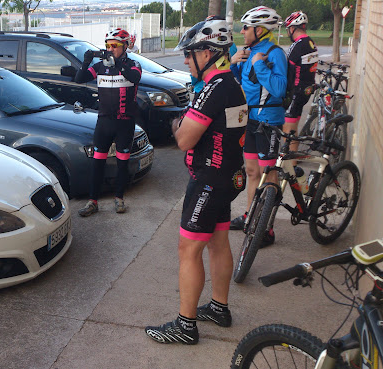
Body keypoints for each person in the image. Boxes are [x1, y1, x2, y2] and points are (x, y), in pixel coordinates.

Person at [144, 19, 247, 345]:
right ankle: (219, 307)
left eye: (189, 54)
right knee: (218, 242)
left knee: (188, 249)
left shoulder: (214, 89)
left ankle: (185, 325)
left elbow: (186, 140)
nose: (186, 61)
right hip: (228, 176)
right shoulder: (232, 84)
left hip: (208, 181)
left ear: (208, 52)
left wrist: (177, 124)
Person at [228, 6, 287, 247]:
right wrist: (234, 63)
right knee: (251, 171)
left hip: (269, 121)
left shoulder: (275, 53)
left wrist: (260, 65)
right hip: (250, 120)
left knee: (268, 174)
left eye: (246, 27)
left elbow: (279, 89)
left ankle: (266, 227)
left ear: (259, 30)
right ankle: (251, 216)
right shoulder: (249, 51)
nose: (242, 31)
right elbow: (240, 81)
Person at [75, 28, 142, 216]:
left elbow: (134, 77)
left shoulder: (133, 64)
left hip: (124, 122)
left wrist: (117, 63)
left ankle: (119, 198)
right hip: (104, 122)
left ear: (126, 46)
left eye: (115, 46)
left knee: (122, 164)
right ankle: (92, 201)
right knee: (97, 164)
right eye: (108, 46)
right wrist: (86, 61)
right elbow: (79, 78)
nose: (110, 49)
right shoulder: (100, 66)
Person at [283, 11, 318, 173]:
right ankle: (293, 160)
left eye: (288, 29)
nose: (287, 32)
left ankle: (289, 164)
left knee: (288, 127)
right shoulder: (311, 43)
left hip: (296, 91)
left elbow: (287, 70)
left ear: (293, 28)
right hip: (307, 90)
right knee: (294, 123)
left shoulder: (297, 45)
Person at [190, 15, 238, 94]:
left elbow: (195, 74)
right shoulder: (231, 45)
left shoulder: (204, 46)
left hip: (203, 88)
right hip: (224, 87)